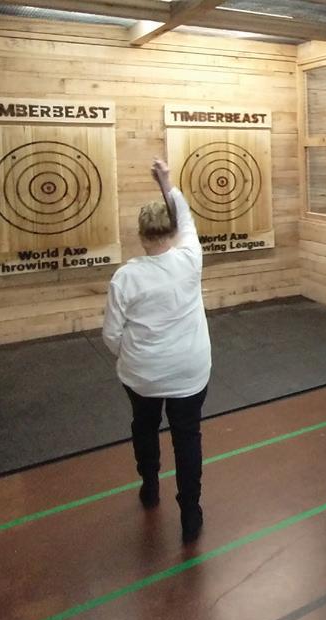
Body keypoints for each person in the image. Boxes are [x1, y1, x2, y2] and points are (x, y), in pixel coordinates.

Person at [103, 158, 211, 544]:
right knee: (187, 437)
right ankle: (190, 514)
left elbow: (111, 335)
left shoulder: (126, 277)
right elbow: (187, 218)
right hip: (189, 371)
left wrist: (132, 358)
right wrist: (166, 182)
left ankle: (150, 486)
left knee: (144, 426)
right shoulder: (190, 257)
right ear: (172, 231)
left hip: (142, 375)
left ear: (141, 235)